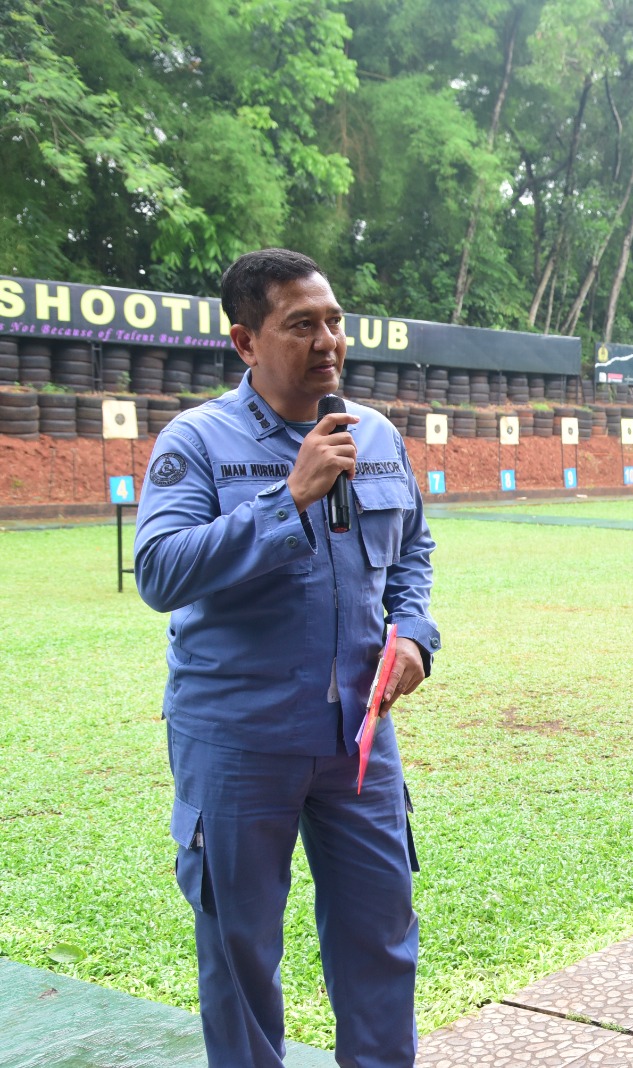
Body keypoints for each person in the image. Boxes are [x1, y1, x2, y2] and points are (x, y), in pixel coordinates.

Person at [135, 248, 440, 1067]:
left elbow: (412, 551)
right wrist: (289, 497)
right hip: (240, 738)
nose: (328, 340)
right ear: (245, 341)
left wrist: (414, 632)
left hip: (358, 740)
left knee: (382, 933)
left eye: (334, 320)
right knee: (241, 953)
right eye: (301, 325)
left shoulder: (376, 436)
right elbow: (159, 571)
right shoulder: (198, 441)